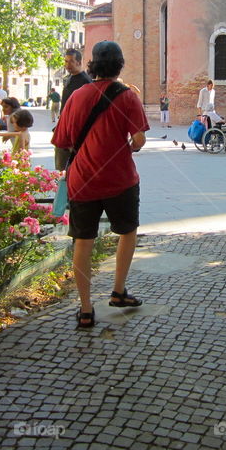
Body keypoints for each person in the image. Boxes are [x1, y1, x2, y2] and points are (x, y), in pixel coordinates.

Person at [54, 41, 148, 330]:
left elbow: (63, 140)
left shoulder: (77, 96)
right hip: (120, 178)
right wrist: (125, 145)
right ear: (120, 65)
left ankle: (85, 309)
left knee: (83, 241)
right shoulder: (128, 97)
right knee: (127, 231)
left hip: (82, 180)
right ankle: (118, 291)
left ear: (92, 64)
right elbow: (139, 141)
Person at [51, 48, 93, 172]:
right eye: (66, 61)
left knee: (69, 168)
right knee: (61, 168)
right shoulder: (69, 78)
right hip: (64, 127)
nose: (67, 65)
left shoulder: (85, 82)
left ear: (79, 62)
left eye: (71, 62)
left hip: (74, 132)